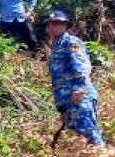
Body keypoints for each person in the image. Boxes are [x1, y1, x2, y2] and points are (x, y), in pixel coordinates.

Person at [43, 8, 105, 145]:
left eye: (57, 23)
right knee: (78, 135)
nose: (52, 27)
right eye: (50, 24)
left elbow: (82, 67)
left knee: (89, 132)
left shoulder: (71, 42)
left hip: (79, 96)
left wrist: (79, 90)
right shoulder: (56, 46)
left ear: (65, 25)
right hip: (66, 100)